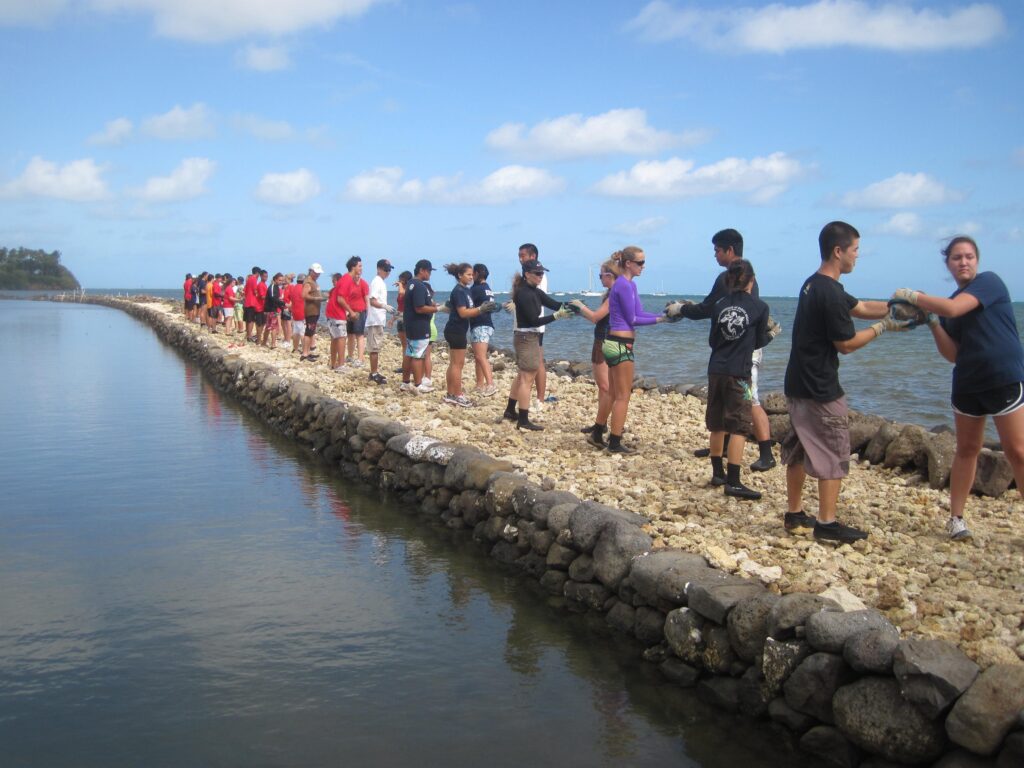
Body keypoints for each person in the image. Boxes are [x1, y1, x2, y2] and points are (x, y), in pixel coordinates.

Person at [782, 221, 912, 543]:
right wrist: (885, 328)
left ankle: (795, 514)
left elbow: (863, 307)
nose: (857, 257)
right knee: (833, 452)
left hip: (798, 383)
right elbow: (847, 344)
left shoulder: (815, 285)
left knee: (799, 449)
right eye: (855, 250)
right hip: (820, 388)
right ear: (838, 252)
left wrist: (900, 307)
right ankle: (826, 524)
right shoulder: (828, 293)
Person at [894, 236, 1024, 541]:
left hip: (1003, 377)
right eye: (956, 258)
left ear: (977, 260)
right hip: (968, 383)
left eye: (968, 257)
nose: (963, 262)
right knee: (967, 449)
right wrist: (931, 322)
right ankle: (957, 519)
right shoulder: (950, 302)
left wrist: (912, 296)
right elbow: (953, 353)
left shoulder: (988, 284)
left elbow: (953, 309)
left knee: (1017, 451)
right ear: (948, 263)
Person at [668, 229, 778, 471]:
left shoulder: (727, 277)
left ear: (730, 250)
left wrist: (680, 309)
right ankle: (723, 448)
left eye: (717, 250)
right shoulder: (747, 275)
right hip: (743, 348)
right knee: (735, 403)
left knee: (752, 400)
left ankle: (766, 452)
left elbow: (708, 309)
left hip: (741, 353)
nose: (715, 255)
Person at [702, 259, 773, 500]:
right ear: (751, 281)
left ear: (729, 280)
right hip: (739, 373)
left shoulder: (720, 305)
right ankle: (733, 481)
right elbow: (759, 341)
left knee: (717, 423)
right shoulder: (760, 307)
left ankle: (717, 473)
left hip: (716, 369)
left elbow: (713, 340)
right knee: (740, 426)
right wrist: (772, 334)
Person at [599, 246, 666, 453]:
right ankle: (615, 442)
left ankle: (596, 431)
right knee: (623, 396)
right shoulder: (624, 286)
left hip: (612, 342)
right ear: (628, 263)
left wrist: (661, 316)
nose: (643, 267)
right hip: (621, 345)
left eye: (644, 262)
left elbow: (640, 312)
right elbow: (633, 320)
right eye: (640, 263)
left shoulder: (627, 285)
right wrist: (661, 320)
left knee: (612, 392)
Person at [502, 258, 575, 430]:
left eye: (542, 273)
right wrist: (557, 317)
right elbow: (533, 321)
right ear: (527, 274)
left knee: (522, 376)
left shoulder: (535, 291)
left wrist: (574, 306)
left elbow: (555, 304)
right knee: (527, 378)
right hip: (526, 338)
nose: (540, 276)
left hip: (529, 337)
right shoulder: (524, 293)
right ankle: (523, 420)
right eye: (537, 273)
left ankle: (510, 410)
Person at [571, 259, 620, 447]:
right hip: (606, 339)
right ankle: (601, 423)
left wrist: (580, 307)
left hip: (603, 341)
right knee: (603, 387)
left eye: (601, 275)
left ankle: (602, 425)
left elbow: (595, 317)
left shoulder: (612, 295)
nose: (599, 279)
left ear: (610, 275)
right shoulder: (613, 293)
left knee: (605, 386)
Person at [443, 262, 498, 407]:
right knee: (457, 364)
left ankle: (450, 394)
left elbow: (468, 309)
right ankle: (457, 395)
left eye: (472, 274)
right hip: (455, 329)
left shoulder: (466, 290)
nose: (471, 277)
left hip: (459, 329)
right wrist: (481, 309)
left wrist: (485, 308)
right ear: (460, 275)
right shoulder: (459, 291)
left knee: (454, 363)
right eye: (468, 274)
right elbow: (462, 313)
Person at [401, 260, 440, 393]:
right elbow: (419, 308)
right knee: (418, 355)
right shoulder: (419, 286)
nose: (430, 274)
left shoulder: (411, 284)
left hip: (411, 324)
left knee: (409, 353)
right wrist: (436, 309)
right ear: (422, 270)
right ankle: (418, 384)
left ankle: (405, 382)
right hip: (419, 325)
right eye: (429, 271)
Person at [469, 263, 497, 396]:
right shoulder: (487, 288)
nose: (471, 276)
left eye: (472, 274)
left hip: (480, 324)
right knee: (478, 356)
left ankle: (490, 384)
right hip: (486, 324)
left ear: (476, 274)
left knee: (480, 356)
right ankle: (479, 384)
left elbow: (467, 302)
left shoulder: (476, 289)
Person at [365, 259, 394, 385]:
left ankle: (375, 371)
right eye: (385, 269)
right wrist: (384, 306)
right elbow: (372, 301)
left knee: (376, 347)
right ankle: (374, 373)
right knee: (374, 347)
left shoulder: (381, 282)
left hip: (379, 319)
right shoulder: (377, 282)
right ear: (379, 269)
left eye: (389, 270)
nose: (388, 272)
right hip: (375, 319)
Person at [338, 256, 369, 367]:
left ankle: (360, 358)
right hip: (349, 312)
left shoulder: (363, 284)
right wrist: (346, 312)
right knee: (350, 334)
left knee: (359, 335)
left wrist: (368, 313)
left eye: (361, 267)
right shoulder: (348, 282)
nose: (360, 271)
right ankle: (350, 356)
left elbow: (366, 299)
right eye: (359, 267)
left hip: (360, 311)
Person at [325, 272, 351, 371]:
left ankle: (333, 363)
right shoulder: (340, 289)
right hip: (337, 315)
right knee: (341, 338)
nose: (333, 283)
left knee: (334, 338)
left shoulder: (333, 290)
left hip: (331, 315)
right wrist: (349, 312)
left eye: (333, 281)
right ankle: (340, 364)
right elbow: (343, 301)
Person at [300, 263, 325, 362]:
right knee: (309, 331)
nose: (318, 275)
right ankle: (305, 353)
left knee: (311, 331)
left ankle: (308, 352)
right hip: (311, 310)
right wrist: (316, 298)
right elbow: (304, 295)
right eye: (316, 273)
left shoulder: (314, 281)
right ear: (311, 271)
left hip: (315, 310)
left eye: (318, 273)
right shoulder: (308, 282)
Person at [394, 270, 412, 373]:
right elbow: (399, 306)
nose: (399, 281)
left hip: (406, 318)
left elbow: (402, 293)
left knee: (408, 344)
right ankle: (405, 365)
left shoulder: (409, 289)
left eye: (401, 280)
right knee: (404, 344)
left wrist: (400, 285)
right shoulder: (401, 289)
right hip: (400, 317)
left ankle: (409, 366)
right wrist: (393, 318)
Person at [290, 272, 306, 353]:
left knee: (296, 331)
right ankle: (304, 350)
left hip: (294, 312)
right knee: (303, 332)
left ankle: (295, 348)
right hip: (301, 312)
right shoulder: (303, 288)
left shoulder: (294, 288)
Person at [243, 266, 260, 341]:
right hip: (251, 302)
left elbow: (245, 290)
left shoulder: (249, 279)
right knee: (251, 320)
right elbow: (255, 291)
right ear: (257, 273)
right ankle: (249, 336)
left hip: (247, 301)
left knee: (248, 320)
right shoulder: (253, 279)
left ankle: (248, 335)